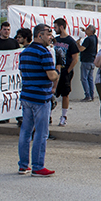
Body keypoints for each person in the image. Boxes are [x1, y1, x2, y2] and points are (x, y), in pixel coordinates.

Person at [18, 23, 58, 177]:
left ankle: (23, 165)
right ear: (40, 35)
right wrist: (56, 74)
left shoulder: (25, 52)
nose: (51, 37)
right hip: (40, 97)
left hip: (27, 95)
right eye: (48, 34)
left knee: (25, 132)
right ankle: (37, 166)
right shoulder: (44, 52)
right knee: (41, 133)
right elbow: (51, 75)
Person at [52, 18, 80, 127]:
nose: (54, 29)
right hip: (55, 71)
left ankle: (64, 116)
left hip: (65, 71)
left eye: (55, 27)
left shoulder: (71, 41)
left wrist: (67, 71)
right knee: (51, 92)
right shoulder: (55, 40)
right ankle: (48, 115)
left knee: (65, 94)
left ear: (61, 27)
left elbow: (75, 58)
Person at [78, 24, 99, 102]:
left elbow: (81, 49)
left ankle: (87, 95)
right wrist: (84, 30)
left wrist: (77, 43)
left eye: (87, 29)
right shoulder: (95, 38)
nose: (85, 30)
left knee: (84, 78)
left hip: (86, 61)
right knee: (90, 78)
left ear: (90, 31)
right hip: (92, 61)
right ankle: (91, 95)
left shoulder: (88, 39)